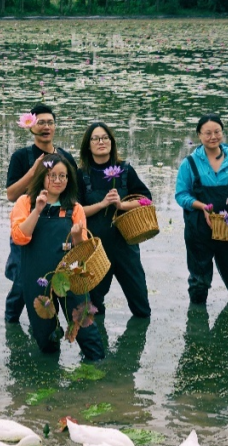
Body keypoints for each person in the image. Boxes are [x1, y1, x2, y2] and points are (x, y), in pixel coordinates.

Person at [11, 153, 104, 361]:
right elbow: (19, 237)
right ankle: (51, 375)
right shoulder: (25, 202)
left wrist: (78, 235)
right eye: (52, 176)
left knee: (86, 327)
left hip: (70, 277)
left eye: (63, 176)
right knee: (45, 335)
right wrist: (37, 210)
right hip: (37, 279)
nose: (58, 181)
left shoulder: (75, 208)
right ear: (43, 176)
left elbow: (82, 251)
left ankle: (97, 369)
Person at [4, 103, 79, 324]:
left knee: (55, 277)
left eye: (50, 122)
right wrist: (34, 171)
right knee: (21, 280)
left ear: (55, 127)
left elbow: (74, 195)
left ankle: (48, 321)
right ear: (32, 127)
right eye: (41, 122)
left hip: (58, 227)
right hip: (28, 223)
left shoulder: (65, 158)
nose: (46, 127)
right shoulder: (21, 156)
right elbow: (11, 194)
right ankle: (12, 323)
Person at [174, 114, 228, 304]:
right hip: (198, 228)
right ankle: (196, 326)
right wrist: (202, 206)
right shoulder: (190, 163)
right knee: (199, 282)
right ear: (199, 136)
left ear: (222, 133)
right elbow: (181, 195)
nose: (213, 137)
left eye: (217, 132)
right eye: (208, 133)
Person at [78, 122, 152, 319]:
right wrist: (102, 204)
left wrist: (122, 206)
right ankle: (97, 348)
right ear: (88, 144)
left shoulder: (125, 169)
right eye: (96, 138)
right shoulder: (81, 174)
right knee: (94, 308)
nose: (101, 142)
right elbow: (75, 211)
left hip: (126, 248)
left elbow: (146, 200)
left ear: (111, 142)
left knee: (141, 307)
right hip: (95, 251)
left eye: (105, 138)